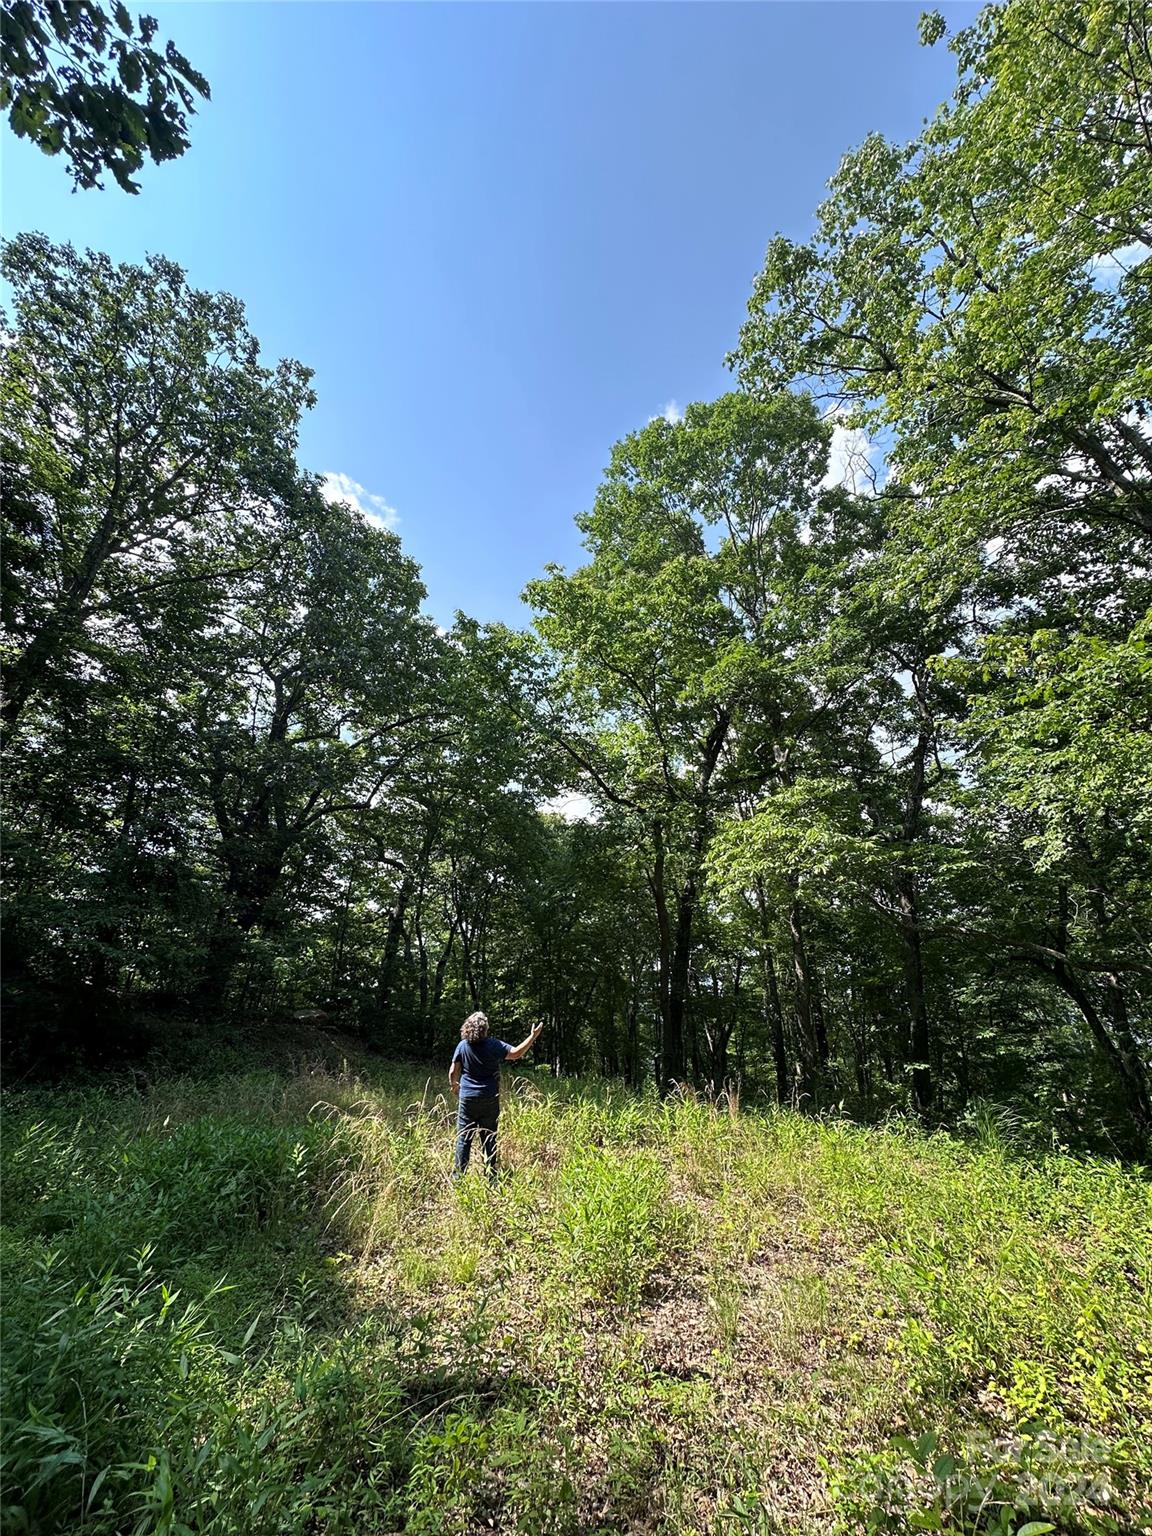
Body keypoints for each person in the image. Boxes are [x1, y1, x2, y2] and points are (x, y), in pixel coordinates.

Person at [449, 1010, 544, 1179]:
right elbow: (516, 1053)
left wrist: (455, 1086)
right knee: (489, 1138)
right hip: (489, 1097)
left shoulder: (462, 1045)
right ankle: (492, 1178)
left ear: (467, 1027)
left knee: (464, 1139)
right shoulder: (493, 1045)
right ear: (484, 1029)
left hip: (467, 1098)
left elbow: (452, 1072)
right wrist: (532, 1037)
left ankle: (458, 1179)